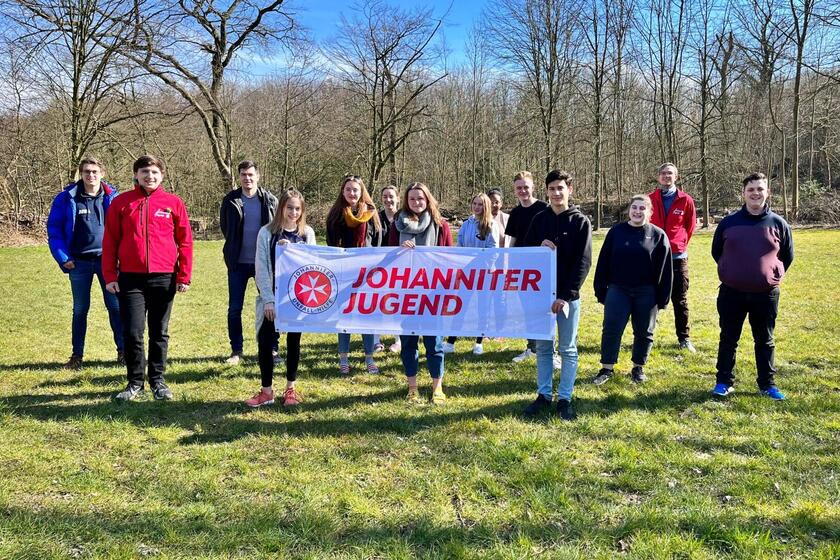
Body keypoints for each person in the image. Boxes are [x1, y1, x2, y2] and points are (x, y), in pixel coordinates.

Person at [103, 155, 193, 402]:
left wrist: (184, 275)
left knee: (159, 331)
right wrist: (110, 275)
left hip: (164, 277)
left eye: (154, 172)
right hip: (130, 279)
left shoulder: (173, 203)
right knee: (133, 332)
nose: (149, 176)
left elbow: (185, 241)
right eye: (144, 172)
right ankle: (134, 383)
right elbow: (110, 241)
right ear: (136, 175)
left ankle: (157, 381)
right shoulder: (121, 203)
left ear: (162, 175)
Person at [711, 173, 793, 400]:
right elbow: (717, 252)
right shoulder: (728, 223)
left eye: (760, 189)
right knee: (728, 338)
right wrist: (734, 271)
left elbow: (787, 256)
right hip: (731, 293)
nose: (755, 193)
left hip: (765, 295)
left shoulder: (778, 223)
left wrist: (769, 275)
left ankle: (767, 384)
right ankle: (723, 382)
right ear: (743, 193)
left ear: (768, 193)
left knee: (765, 340)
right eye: (751, 189)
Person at [522, 171, 592, 420]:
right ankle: (543, 395)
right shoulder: (539, 220)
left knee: (567, 349)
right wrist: (538, 248)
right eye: (552, 189)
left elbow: (583, 263)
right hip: (541, 296)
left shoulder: (580, 222)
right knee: (543, 348)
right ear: (546, 191)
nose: (556, 193)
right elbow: (524, 255)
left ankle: (565, 398)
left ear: (569, 190)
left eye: (560, 188)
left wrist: (565, 295)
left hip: (567, 298)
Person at [47, 157, 124, 369]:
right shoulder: (66, 198)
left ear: (102, 173)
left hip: (108, 262)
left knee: (115, 307)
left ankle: (123, 352)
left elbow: (125, 230)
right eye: (87, 171)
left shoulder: (113, 198)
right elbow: (54, 230)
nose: (91, 175)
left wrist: (121, 258)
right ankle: (76, 356)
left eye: (94, 171)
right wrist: (63, 257)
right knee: (80, 309)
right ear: (81, 174)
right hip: (78, 263)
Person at [245, 189, 316, 408]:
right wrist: (268, 299)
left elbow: (314, 264)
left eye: (297, 209)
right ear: (281, 208)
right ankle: (266, 391)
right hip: (273, 298)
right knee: (266, 342)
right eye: (289, 208)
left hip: (297, 299)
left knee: (294, 342)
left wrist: (294, 251)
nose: (293, 212)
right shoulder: (267, 233)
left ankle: (290, 388)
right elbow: (261, 268)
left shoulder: (307, 233)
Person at [592, 194, 672, 385]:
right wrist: (601, 290)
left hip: (647, 292)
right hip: (618, 289)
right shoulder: (616, 232)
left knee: (644, 331)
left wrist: (663, 298)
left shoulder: (658, 235)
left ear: (650, 212)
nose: (637, 211)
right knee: (611, 329)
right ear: (629, 210)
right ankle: (607, 368)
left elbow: (666, 270)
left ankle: (638, 368)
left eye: (642, 208)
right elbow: (603, 262)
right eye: (634, 207)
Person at [390, 182, 453, 403]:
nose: (416, 202)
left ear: (427, 200)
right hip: (405, 293)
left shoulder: (441, 225)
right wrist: (400, 252)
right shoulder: (397, 225)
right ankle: (412, 387)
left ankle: (437, 387)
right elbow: (387, 258)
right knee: (408, 342)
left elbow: (449, 258)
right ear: (406, 201)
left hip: (433, 292)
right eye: (412, 199)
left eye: (420, 198)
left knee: (434, 342)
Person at [220, 160, 278, 365]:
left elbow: (277, 227)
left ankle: (272, 348)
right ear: (239, 177)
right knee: (235, 308)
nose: (247, 178)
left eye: (251, 174)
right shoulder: (230, 200)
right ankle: (236, 350)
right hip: (238, 263)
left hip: (265, 263)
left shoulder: (270, 200)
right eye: (243, 175)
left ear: (258, 176)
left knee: (269, 305)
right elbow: (225, 227)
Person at [325, 174, 383, 375]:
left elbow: (377, 243)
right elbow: (331, 244)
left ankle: (369, 358)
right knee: (345, 317)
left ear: (361, 192)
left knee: (366, 316)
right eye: (348, 189)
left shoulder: (371, 214)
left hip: (367, 274)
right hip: (344, 273)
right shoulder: (335, 215)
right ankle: (343, 358)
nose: (352, 193)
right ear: (343, 191)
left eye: (355, 190)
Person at [442, 192, 499, 356]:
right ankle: (451, 342)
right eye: (475, 203)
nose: (477, 207)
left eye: (480, 204)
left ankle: (479, 342)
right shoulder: (466, 224)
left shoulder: (491, 225)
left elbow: (493, 249)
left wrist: (482, 263)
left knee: (483, 307)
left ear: (486, 206)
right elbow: (460, 245)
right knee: (461, 305)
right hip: (466, 273)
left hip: (484, 274)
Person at [648, 162, 697, 352]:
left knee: (680, 299)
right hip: (653, 257)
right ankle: (645, 337)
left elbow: (690, 227)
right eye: (663, 173)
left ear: (676, 177)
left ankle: (684, 338)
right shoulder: (650, 199)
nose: (666, 176)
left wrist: (679, 244)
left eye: (670, 173)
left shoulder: (686, 200)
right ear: (658, 177)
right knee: (649, 298)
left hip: (678, 258)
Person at [504, 171, 548, 363]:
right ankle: (532, 347)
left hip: (542, 268)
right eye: (519, 188)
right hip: (521, 268)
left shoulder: (545, 209)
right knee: (527, 308)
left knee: (544, 308)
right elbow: (512, 240)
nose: (523, 191)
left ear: (533, 187)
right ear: (515, 190)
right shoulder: (515, 213)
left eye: (526, 187)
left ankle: (548, 348)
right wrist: (508, 264)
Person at [377, 184, 402, 354]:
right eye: (385, 196)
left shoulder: (404, 217)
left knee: (397, 304)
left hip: (399, 268)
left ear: (398, 198)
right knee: (377, 303)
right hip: (379, 267)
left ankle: (398, 340)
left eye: (391, 196)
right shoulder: (375, 218)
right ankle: (376, 340)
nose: (388, 200)